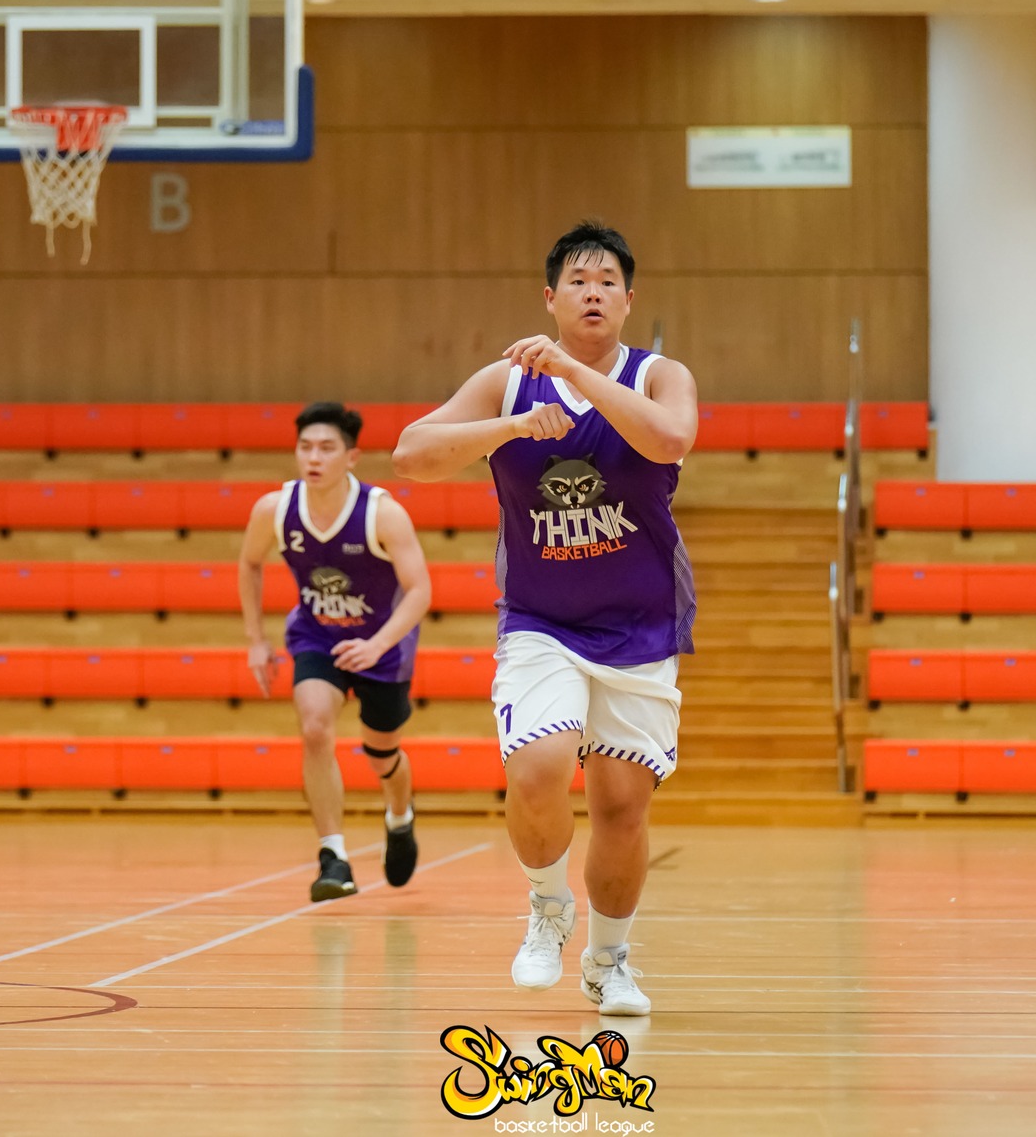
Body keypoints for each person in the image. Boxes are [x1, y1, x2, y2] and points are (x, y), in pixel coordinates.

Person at [393, 220, 697, 1017]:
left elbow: (670, 439)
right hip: (542, 618)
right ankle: (547, 904)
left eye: (607, 282)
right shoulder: (507, 381)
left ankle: (609, 960)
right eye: (578, 281)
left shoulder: (659, 374)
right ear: (550, 297)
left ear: (628, 299)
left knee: (621, 806)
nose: (593, 293)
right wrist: (512, 426)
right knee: (536, 769)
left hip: (639, 623)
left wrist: (571, 372)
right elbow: (410, 453)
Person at [238, 402, 431, 901]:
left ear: (352, 457)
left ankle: (400, 815)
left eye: (326, 448)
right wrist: (256, 641)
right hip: (316, 636)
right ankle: (333, 857)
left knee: (381, 753)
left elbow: (420, 591)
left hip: (382, 643)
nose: (313, 457)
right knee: (315, 728)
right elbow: (250, 564)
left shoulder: (383, 513)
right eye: (305, 447)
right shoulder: (275, 509)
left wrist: (377, 644)